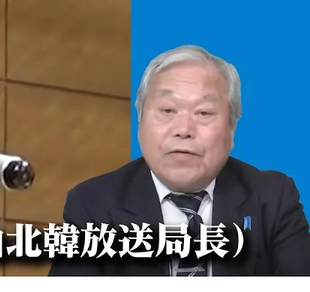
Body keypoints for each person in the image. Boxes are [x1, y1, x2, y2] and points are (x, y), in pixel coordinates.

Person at [49, 44, 310, 276]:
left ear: (232, 128)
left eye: (204, 112)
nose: (183, 129)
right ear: (140, 121)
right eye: (167, 110)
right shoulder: (94, 205)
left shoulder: (272, 198)